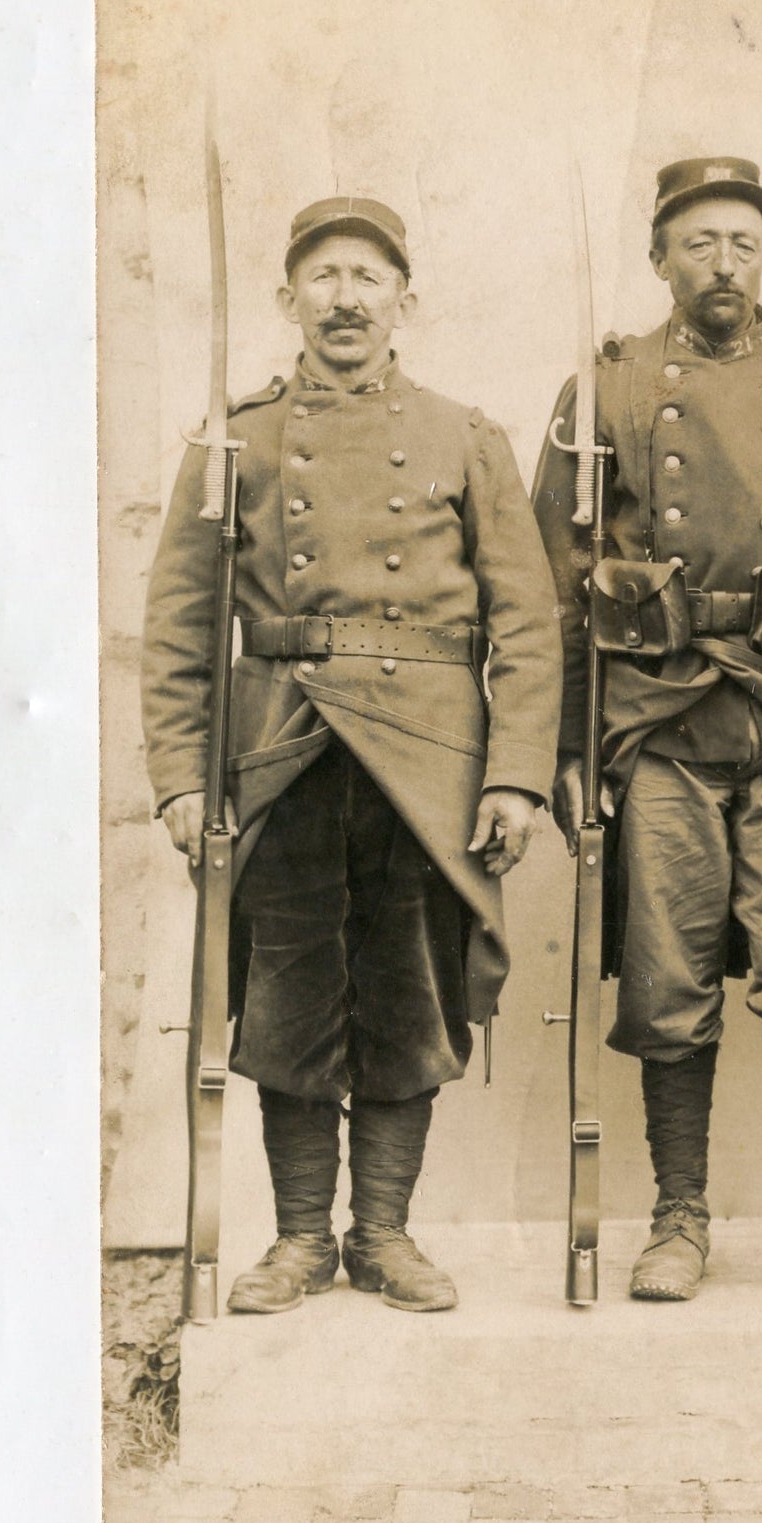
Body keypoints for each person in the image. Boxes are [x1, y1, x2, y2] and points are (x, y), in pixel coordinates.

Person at [142, 196, 561, 1314]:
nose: (343, 297)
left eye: (366, 276)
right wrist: (183, 776)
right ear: (289, 298)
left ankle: (381, 1233)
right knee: (284, 995)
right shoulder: (233, 439)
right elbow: (182, 625)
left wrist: (516, 772)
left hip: (426, 761)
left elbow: (526, 621)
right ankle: (295, 1240)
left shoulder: (464, 436)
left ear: (403, 300)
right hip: (281, 747)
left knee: (406, 992)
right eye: (321, 276)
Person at [533, 157, 762, 1309]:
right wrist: (564, 747)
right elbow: (550, 581)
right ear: (658, 260)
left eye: (742, 240)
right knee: (664, 970)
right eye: (698, 243)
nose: (722, 263)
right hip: (656, 720)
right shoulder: (602, 388)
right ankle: (677, 1218)